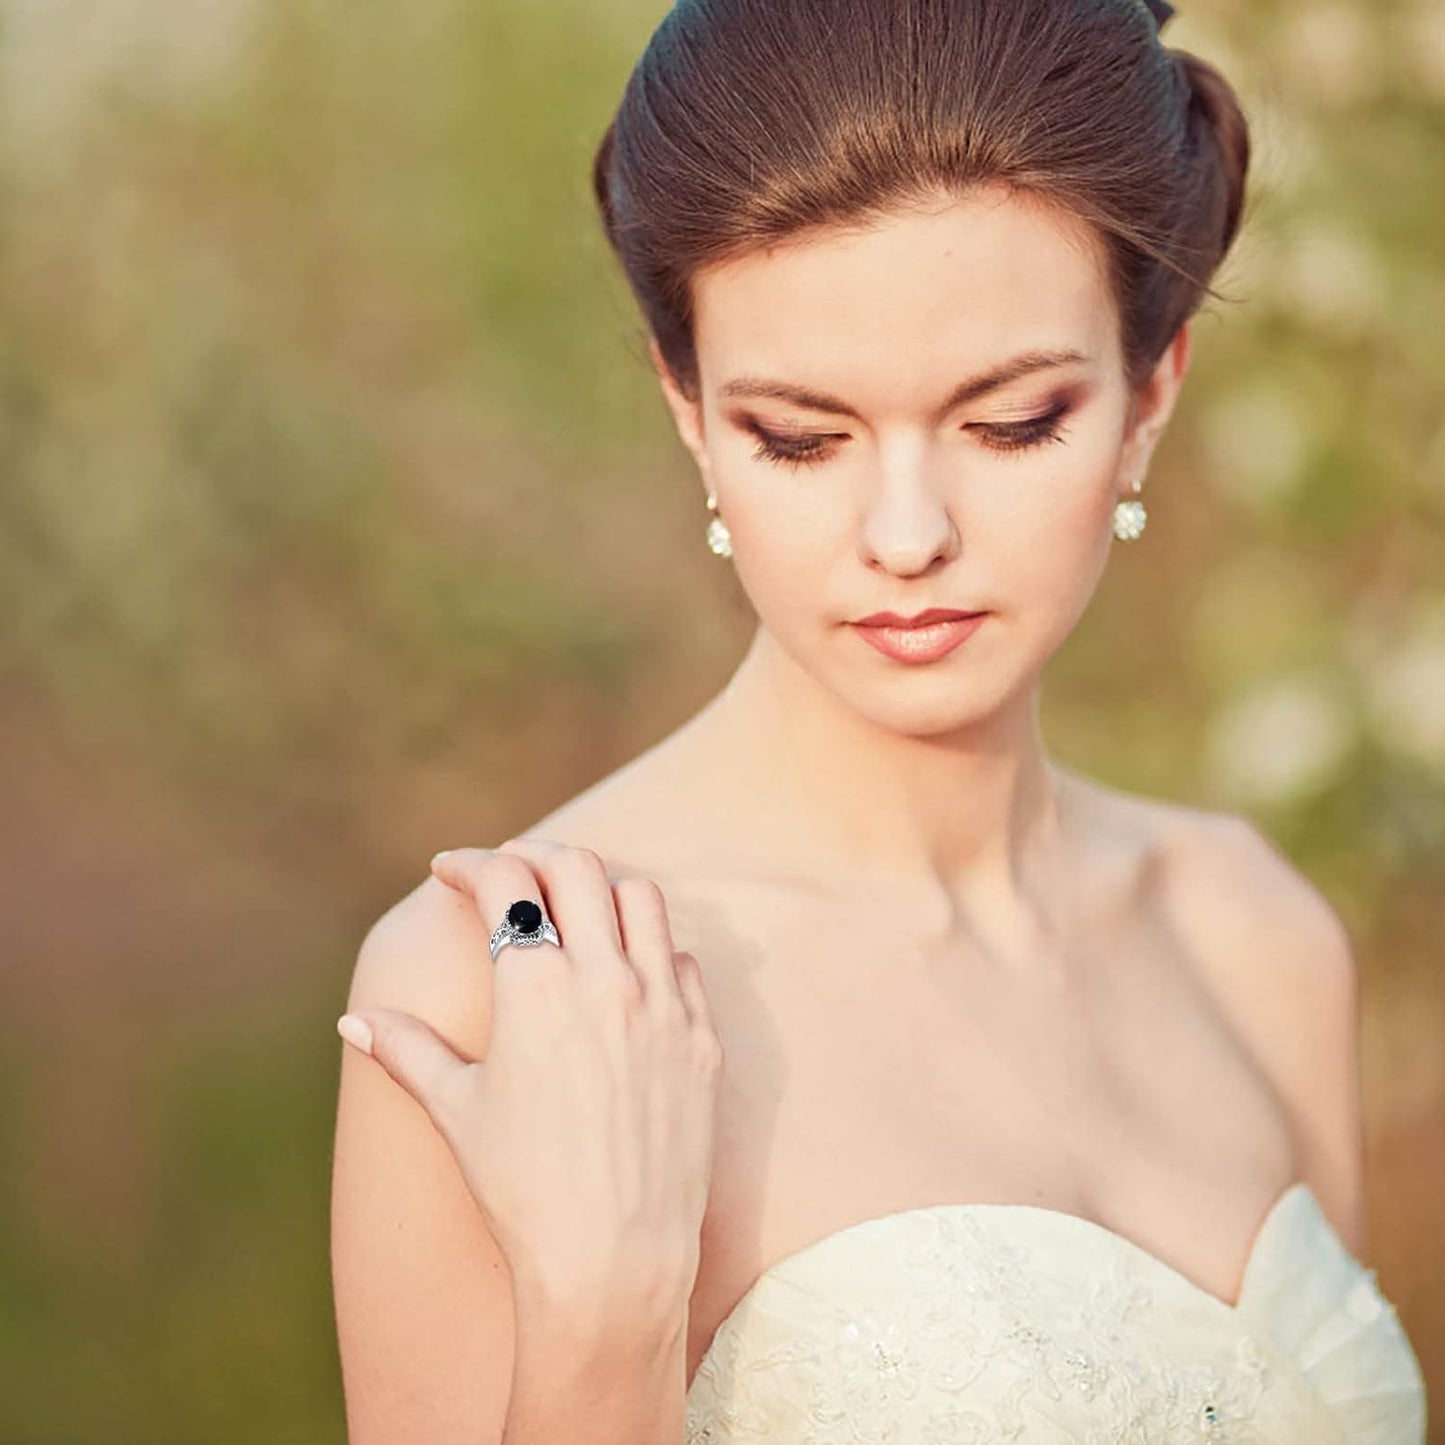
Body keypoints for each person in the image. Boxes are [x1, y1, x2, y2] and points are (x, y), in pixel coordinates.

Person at [329, 0, 1429, 1441]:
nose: (904, 535)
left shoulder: (1252, 935)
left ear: (1148, 393)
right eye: (798, 436)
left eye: (1011, 420)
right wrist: (602, 1314)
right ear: (688, 409)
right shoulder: (516, 986)